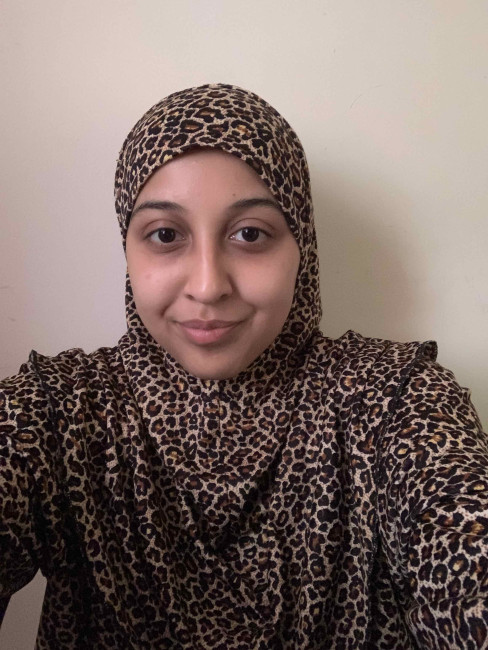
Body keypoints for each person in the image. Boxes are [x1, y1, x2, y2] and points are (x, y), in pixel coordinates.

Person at [0, 83, 486, 649]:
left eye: (250, 234)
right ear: (127, 248)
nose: (208, 286)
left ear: (301, 245)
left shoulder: (390, 402)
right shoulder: (60, 414)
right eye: (165, 235)